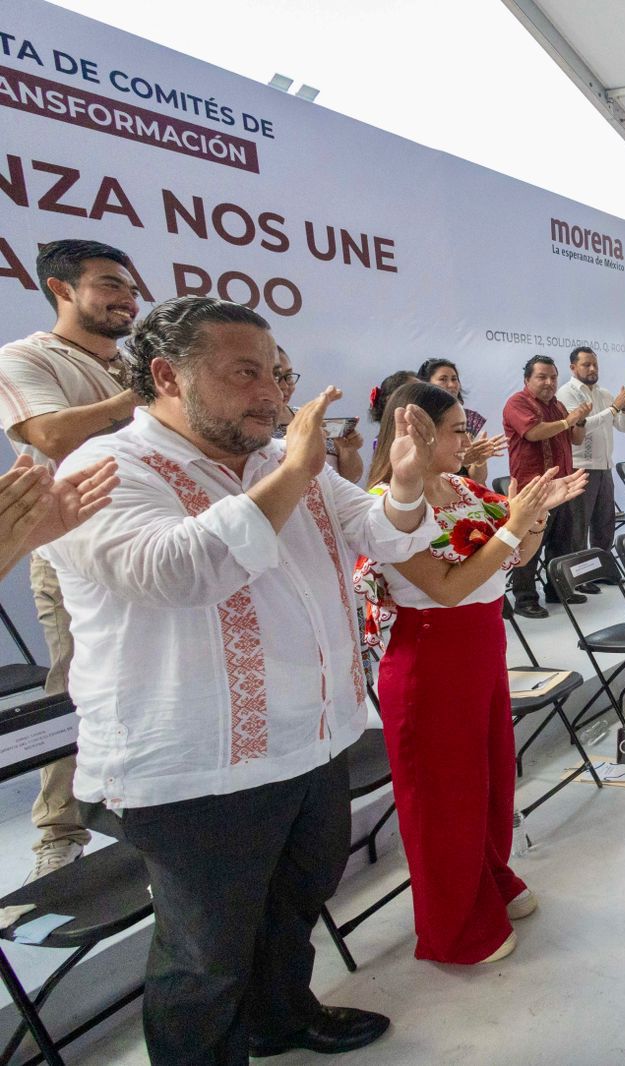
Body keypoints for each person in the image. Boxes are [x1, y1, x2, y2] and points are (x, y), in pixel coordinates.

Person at [44, 296, 440, 1063]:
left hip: (314, 740)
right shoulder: (103, 468)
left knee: (293, 906)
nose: (272, 392)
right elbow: (179, 573)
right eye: (245, 373)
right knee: (204, 959)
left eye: (277, 373)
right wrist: (295, 469)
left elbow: (383, 533)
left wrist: (409, 484)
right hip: (196, 770)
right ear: (167, 376)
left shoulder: (279, 462)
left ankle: (282, 1017)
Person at [357, 381, 585, 965]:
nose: (469, 439)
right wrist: (515, 523)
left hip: (480, 646)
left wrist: (534, 517)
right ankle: (452, 927)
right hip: (431, 657)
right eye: (458, 429)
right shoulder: (386, 504)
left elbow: (516, 557)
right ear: (418, 433)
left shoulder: (460, 487)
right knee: (443, 799)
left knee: (486, 783)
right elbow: (446, 585)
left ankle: (488, 879)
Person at [0, 238, 141, 882]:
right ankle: (59, 829)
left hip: (156, 535)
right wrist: (137, 395)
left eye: (131, 287)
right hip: (71, 549)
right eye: (110, 284)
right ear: (62, 289)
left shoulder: (139, 358)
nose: (127, 298)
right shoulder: (27, 357)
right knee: (76, 679)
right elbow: (49, 434)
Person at [503, 354, 590, 616]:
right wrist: (568, 420)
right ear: (527, 379)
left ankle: (557, 589)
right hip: (533, 488)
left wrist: (581, 419)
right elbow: (534, 432)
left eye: (553, 377)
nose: (549, 382)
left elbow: (576, 439)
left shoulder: (558, 405)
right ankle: (525, 599)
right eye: (542, 377)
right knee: (529, 545)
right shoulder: (517, 402)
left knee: (563, 541)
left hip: (562, 485)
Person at [558, 345, 625, 555]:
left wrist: (624, 408)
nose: (592, 369)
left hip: (604, 466)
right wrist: (614, 408)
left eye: (595, 365)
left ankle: (602, 568)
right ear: (573, 367)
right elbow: (583, 426)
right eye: (586, 365)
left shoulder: (604, 393)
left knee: (605, 522)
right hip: (580, 468)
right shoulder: (566, 393)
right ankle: (581, 574)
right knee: (578, 526)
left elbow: (623, 427)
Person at [273, 345, 364, 484]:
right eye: (277, 377)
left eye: (289, 376)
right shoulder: (251, 427)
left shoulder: (309, 417)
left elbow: (350, 479)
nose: (285, 386)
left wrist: (348, 450)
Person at [419, 357, 506, 484]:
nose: (452, 385)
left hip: (462, 493)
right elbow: (420, 472)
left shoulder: (464, 420)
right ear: (426, 384)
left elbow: (478, 480)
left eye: (454, 379)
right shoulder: (419, 420)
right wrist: (461, 460)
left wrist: (479, 460)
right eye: (443, 379)